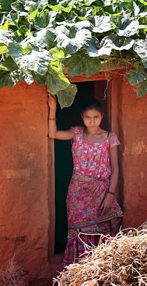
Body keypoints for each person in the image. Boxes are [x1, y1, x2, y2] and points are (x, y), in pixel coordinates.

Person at [48, 94, 123, 269]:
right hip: (78, 192)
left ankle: (100, 268)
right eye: (88, 117)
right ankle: (79, 269)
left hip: (102, 192)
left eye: (95, 117)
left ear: (102, 116)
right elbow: (52, 133)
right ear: (82, 117)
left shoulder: (110, 138)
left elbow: (115, 169)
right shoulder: (77, 133)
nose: (92, 121)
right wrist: (52, 109)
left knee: (103, 229)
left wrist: (110, 194)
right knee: (78, 230)